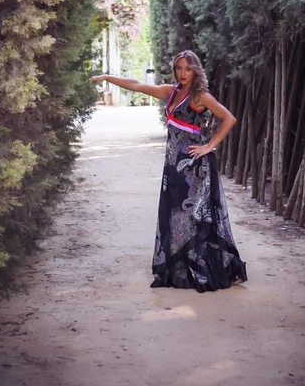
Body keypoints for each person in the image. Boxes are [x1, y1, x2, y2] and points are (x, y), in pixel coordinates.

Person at [89, 50, 247, 293]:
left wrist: (209, 146)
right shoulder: (170, 92)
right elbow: (137, 85)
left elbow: (229, 118)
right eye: (179, 68)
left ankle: (207, 270)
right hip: (172, 167)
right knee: (176, 216)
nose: (183, 73)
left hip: (194, 167)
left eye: (188, 69)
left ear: (195, 70)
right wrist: (107, 77)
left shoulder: (200, 96)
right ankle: (182, 269)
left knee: (195, 218)